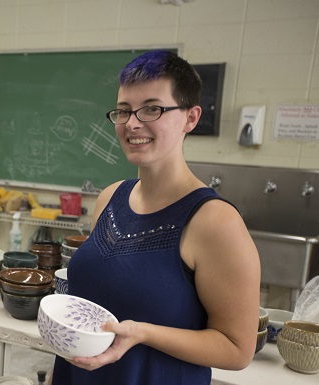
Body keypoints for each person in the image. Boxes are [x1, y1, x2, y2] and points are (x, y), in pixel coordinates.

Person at [49, 50, 261, 385]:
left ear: (190, 118)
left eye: (152, 109)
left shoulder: (214, 222)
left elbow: (237, 349)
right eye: (123, 111)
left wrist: (143, 333)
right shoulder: (110, 198)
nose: (133, 123)